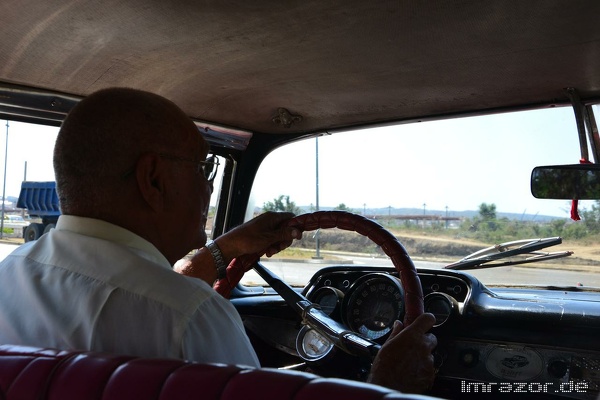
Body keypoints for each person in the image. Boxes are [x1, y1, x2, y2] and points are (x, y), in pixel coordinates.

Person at [0, 87, 436, 393]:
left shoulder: (12, 273)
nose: (209, 189)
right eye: (202, 169)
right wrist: (388, 387)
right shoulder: (187, 319)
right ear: (153, 180)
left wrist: (224, 250)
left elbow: (128, 283)